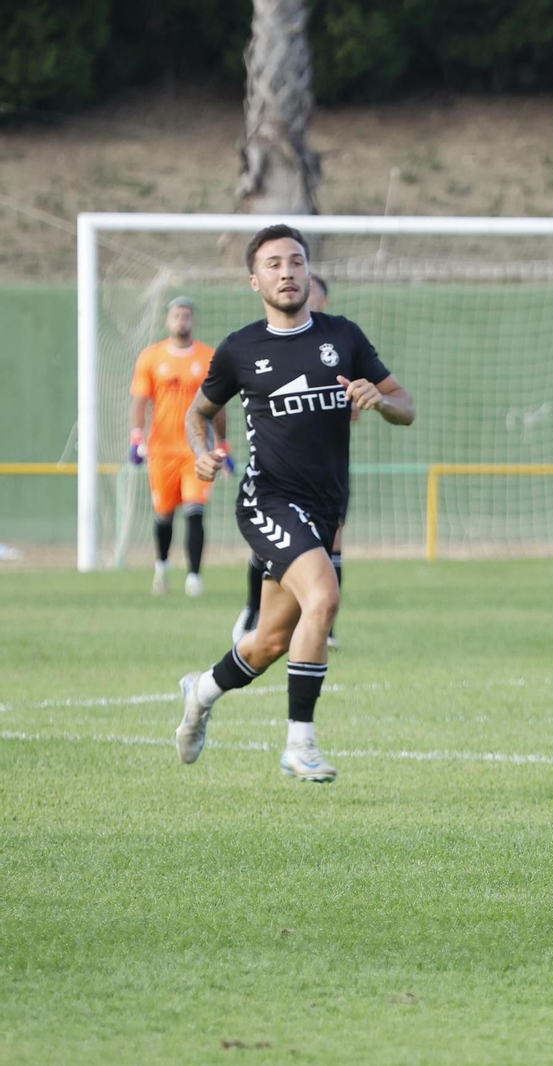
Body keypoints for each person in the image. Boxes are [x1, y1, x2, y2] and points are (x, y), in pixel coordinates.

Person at [178, 227, 414, 782]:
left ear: (309, 273)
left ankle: (200, 693)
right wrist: (203, 453)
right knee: (325, 598)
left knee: (271, 642)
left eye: (296, 261)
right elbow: (197, 415)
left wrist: (380, 400)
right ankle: (299, 744)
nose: (287, 272)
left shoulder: (344, 337)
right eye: (273, 264)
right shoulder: (240, 348)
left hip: (324, 506)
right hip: (268, 499)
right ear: (254, 280)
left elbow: (406, 405)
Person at [232, 275, 344, 646]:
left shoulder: (339, 343)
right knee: (272, 550)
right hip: (276, 481)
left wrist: (362, 398)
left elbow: (362, 400)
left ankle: (321, 622)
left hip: (327, 474)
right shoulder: (257, 345)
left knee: (333, 542)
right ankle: (253, 607)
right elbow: (208, 405)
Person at [129, 297, 226, 596]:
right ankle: (162, 567)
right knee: (164, 514)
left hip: (197, 448)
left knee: (196, 511)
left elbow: (219, 403)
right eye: (176, 315)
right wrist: (137, 438)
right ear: (167, 321)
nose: (181, 320)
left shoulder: (210, 357)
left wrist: (224, 443)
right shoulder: (151, 357)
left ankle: (194, 578)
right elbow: (141, 400)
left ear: (193, 320)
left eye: (186, 315)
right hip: (162, 450)